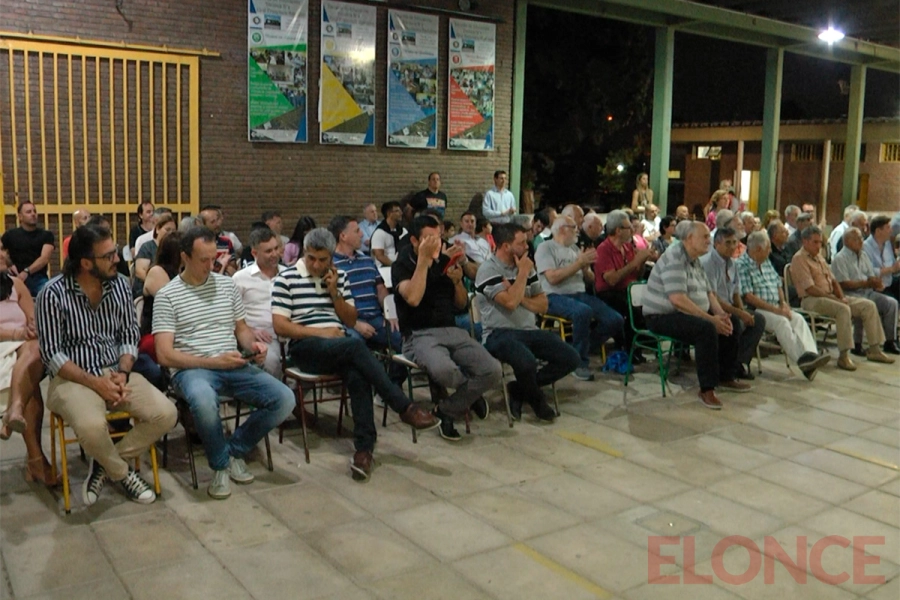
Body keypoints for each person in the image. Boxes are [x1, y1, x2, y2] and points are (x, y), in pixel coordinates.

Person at [272, 228, 439, 480]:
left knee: (358, 373)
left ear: (331, 258)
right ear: (304, 254)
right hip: (305, 347)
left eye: (322, 259)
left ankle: (363, 451)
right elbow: (280, 325)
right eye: (311, 258)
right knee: (356, 346)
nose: (316, 265)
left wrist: (335, 292)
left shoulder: (340, 277)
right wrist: (321, 333)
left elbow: (350, 320)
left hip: (338, 345)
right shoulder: (286, 278)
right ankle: (403, 406)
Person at [36, 224, 177, 505]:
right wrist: (95, 383)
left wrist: (123, 373)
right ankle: (122, 473)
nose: (117, 259)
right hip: (72, 379)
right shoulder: (52, 294)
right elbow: (52, 355)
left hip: (116, 372)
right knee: (91, 427)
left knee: (166, 414)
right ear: (86, 263)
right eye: (109, 255)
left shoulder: (120, 287)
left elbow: (128, 335)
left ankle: (104, 464)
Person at [153, 227, 295, 500]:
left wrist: (251, 345)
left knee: (284, 398)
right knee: (204, 401)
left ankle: (234, 450)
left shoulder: (226, 285)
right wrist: (212, 361)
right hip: (192, 369)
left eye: (214, 258)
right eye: (203, 260)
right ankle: (220, 464)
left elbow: (241, 328)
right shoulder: (168, 296)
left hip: (231, 362)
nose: (211, 265)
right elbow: (164, 355)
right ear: (184, 257)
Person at [392, 216, 502, 441]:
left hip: (451, 330)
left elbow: (461, 304)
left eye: (438, 237)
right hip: (419, 334)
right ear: (414, 240)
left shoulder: (445, 262)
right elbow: (412, 298)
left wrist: (457, 282)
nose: (436, 243)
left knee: (493, 370)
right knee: (444, 371)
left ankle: (445, 409)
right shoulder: (403, 264)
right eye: (428, 239)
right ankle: (469, 397)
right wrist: (424, 261)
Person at [475, 224, 580, 421]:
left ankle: (518, 389)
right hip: (499, 333)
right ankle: (538, 401)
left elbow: (543, 306)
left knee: (571, 358)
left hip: (530, 331)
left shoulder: (526, 267)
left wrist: (519, 292)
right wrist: (522, 274)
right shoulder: (488, 270)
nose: (527, 246)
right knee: (526, 362)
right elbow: (510, 302)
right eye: (521, 243)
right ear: (506, 246)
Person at [642, 222, 751, 409]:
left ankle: (726, 376)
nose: (709, 241)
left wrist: (721, 315)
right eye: (705, 237)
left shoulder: (696, 259)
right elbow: (677, 299)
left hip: (686, 311)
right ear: (689, 238)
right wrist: (710, 319)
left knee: (730, 321)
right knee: (706, 329)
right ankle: (706, 389)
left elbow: (709, 293)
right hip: (662, 316)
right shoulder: (674, 257)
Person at [790, 225, 893, 371]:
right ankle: (844, 356)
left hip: (830, 297)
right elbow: (810, 289)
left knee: (868, 305)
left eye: (820, 242)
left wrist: (841, 296)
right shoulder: (799, 259)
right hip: (811, 300)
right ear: (805, 241)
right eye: (815, 242)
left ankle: (874, 349)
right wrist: (835, 299)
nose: (819, 246)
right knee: (843, 309)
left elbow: (834, 281)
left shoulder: (819, 258)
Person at [535, 216, 624, 381]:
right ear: (562, 229)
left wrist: (585, 268)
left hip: (580, 294)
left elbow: (590, 279)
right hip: (554, 296)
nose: (577, 230)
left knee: (615, 319)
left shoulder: (575, 249)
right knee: (583, 312)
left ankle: (573, 351)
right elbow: (552, 278)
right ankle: (579, 363)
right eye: (574, 227)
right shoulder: (545, 248)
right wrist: (578, 263)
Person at [737, 231, 831, 380]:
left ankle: (811, 357)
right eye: (768, 248)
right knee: (782, 323)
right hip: (758, 309)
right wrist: (776, 310)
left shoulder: (765, 261)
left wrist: (783, 304)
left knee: (798, 318)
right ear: (758, 249)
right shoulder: (742, 265)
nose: (770, 252)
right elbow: (749, 296)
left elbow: (777, 284)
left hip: (777, 306)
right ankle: (803, 361)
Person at [0, 243, 56, 485]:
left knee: (35, 347)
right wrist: (17, 334)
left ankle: (14, 410)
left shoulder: (15, 284)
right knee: (31, 383)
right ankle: (36, 460)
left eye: (3, 249)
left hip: (24, 347)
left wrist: (31, 328)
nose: (4, 253)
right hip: (6, 344)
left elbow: (33, 318)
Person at [330, 216, 404, 378]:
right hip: (349, 323)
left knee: (406, 341)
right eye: (357, 231)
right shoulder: (331, 265)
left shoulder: (366, 260)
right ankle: (370, 387)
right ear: (343, 236)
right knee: (355, 346)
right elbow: (331, 303)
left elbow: (380, 289)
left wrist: (389, 313)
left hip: (376, 318)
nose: (362, 235)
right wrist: (355, 324)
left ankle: (391, 386)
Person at [701, 228, 767, 380]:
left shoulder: (733, 264)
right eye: (727, 243)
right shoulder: (708, 263)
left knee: (757, 320)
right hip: (712, 308)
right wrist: (739, 314)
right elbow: (714, 298)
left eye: (734, 242)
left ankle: (738, 362)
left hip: (730, 306)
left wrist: (744, 312)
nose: (732, 247)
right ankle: (726, 371)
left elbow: (736, 293)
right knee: (735, 322)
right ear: (716, 244)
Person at [594, 210, 655, 363]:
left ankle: (640, 345)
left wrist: (641, 261)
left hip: (628, 289)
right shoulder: (604, 249)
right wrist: (634, 263)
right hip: (609, 292)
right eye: (629, 228)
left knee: (649, 304)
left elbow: (637, 275)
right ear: (618, 230)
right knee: (631, 309)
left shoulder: (627, 248)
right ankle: (629, 349)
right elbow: (612, 280)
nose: (632, 231)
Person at [831, 227, 900, 356]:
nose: (861, 241)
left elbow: (870, 274)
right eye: (857, 239)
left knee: (892, 303)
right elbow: (843, 284)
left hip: (867, 292)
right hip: (850, 294)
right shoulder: (840, 258)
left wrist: (876, 282)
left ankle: (890, 341)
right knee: (865, 304)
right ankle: (859, 345)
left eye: (861, 238)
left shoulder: (863, 255)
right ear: (847, 241)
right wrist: (866, 283)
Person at [232, 228, 287, 379]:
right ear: (254, 253)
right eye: (269, 251)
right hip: (259, 337)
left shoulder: (288, 275)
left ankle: (293, 395)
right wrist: (249, 331)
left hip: (289, 335)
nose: (275, 254)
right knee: (271, 361)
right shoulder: (240, 279)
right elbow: (229, 314)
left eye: (276, 248)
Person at [1, 201, 55, 298]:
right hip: (14, 277)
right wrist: (9, 264)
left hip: (38, 278)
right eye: (28, 212)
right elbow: (1, 251)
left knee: (48, 296)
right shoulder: (10, 235)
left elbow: (44, 258)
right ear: (20, 217)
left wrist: (26, 271)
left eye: (34, 211)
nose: (33, 214)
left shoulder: (46, 235)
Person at [132, 214, 177, 298]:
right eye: (167, 229)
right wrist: (156, 282)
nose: (170, 233)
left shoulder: (174, 249)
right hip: (146, 293)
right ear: (157, 229)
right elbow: (139, 271)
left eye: (173, 231)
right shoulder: (147, 247)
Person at [864, 214, 900, 301]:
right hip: (875, 287)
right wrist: (891, 269)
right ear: (878, 231)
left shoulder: (887, 244)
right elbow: (868, 271)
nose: (891, 231)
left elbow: (893, 266)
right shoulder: (865, 247)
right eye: (888, 228)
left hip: (889, 283)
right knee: (891, 301)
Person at [371, 201, 407, 267]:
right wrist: (394, 266)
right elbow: (379, 256)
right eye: (397, 211)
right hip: (384, 268)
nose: (401, 213)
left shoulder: (403, 231)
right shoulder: (380, 233)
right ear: (389, 213)